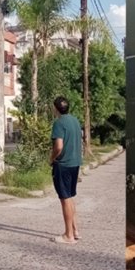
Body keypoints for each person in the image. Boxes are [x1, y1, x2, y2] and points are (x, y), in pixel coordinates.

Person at [49, 96, 83, 244]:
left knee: (65, 199)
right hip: (75, 163)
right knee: (70, 196)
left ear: (55, 108)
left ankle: (68, 235)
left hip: (63, 164)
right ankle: (75, 231)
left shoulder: (59, 123)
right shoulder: (75, 120)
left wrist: (52, 158)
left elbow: (58, 146)